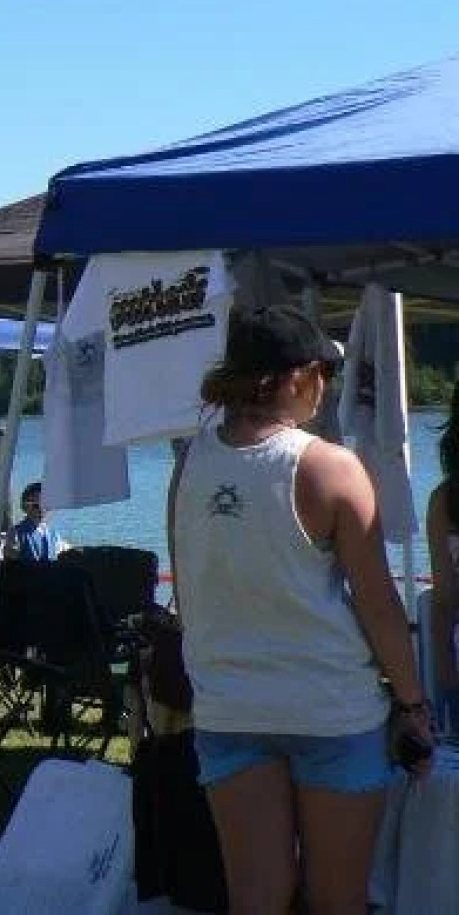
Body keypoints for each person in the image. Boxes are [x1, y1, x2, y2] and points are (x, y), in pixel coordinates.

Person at [170, 305, 430, 915]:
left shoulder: (188, 462)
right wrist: (413, 704)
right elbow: (380, 604)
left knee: (256, 899)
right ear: (296, 377)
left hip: (230, 705)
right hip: (330, 708)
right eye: (323, 375)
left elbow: (189, 592)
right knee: (337, 900)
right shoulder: (329, 467)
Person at [427, 384, 459, 735]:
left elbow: (445, 599)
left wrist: (444, 671)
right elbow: (445, 599)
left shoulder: (445, 501)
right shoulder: (444, 501)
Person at [7, 482, 66, 563]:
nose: (41, 510)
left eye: (45, 505)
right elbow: (10, 563)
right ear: (24, 506)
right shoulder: (16, 533)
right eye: (36, 506)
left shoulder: (54, 535)